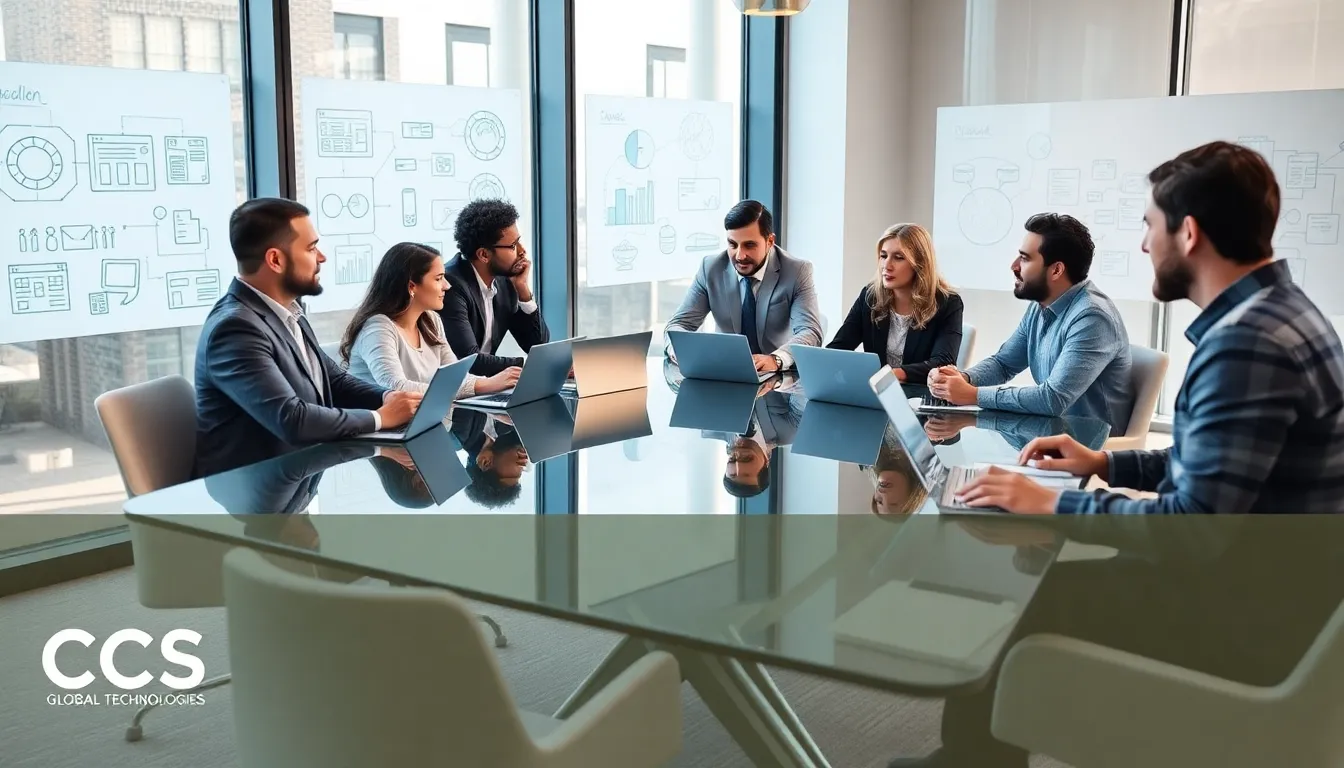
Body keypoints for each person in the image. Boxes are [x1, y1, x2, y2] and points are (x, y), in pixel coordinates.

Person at [893, 141, 1344, 767]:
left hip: (1253, 612)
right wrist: (1103, 464)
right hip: (1278, 585)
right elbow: (1209, 463)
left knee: (1026, 599)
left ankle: (973, 760)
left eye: (1148, 227)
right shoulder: (1277, 316)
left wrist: (1055, 503)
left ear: (1188, 234)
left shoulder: (1248, 343)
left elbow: (1195, 530)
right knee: (1040, 584)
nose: (1141, 246)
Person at [193, 198, 421, 478]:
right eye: (312, 248)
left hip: (298, 477)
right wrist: (381, 417)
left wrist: (389, 397)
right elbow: (292, 419)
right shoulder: (234, 329)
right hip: (250, 498)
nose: (322, 257)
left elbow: (334, 380)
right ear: (276, 260)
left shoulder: (288, 312)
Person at [927, 213, 1133, 435]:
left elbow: (1052, 399)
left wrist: (972, 394)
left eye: (1025, 258)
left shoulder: (1092, 317)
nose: (1014, 266)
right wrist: (961, 379)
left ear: (1056, 270)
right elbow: (1003, 364)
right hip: (1048, 433)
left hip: (1087, 447)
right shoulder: (1042, 305)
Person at [342, 241, 521, 398]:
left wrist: (498, 382)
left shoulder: (431, 321)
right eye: (439, 278)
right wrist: (486, 384)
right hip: (379, 431)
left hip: (420, 422)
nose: (447, 285)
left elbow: (455, 376)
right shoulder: (378, 329)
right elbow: (396, 387)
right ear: (412, 286)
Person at [664, 200, 823, 374]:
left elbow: (810, 331)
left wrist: (776, 359)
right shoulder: (710, 268)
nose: (740, 255)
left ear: (770, 241)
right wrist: (678, 350)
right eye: (732, 244)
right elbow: (678, 324)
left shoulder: (796, 271)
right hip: (724, 375)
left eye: (749, 245)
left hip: (776, 379)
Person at [827, 223, 964, 385]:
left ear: (919, 264)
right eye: (883, 256)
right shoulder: (870, 296)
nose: (887, 265)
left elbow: (941, 363)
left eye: (898, 258)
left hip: (920, 397)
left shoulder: (948, 303)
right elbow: (840, 347)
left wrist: (892, 374)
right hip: (876, 395)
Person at [439, 199, 550, 376]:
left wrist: (523, 291)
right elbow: (470, 360)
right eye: (513, 246)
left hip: (489, 387)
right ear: (483, 254)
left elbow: (537, 345)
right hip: (458, 391)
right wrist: (535, 366)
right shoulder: (451, 285)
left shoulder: (505, 281)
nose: (522, 251)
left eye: (519, 242)